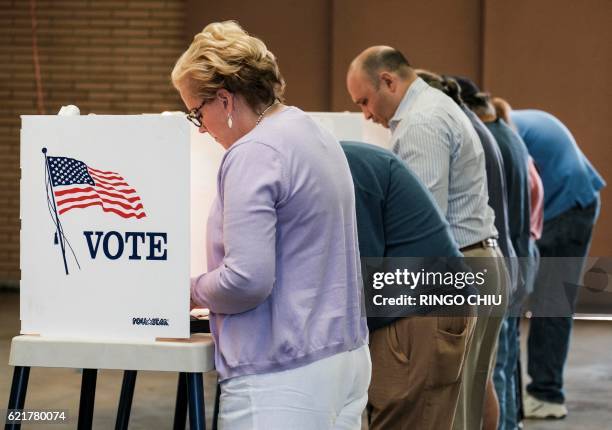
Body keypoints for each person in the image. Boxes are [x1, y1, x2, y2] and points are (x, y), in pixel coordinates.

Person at [173, 21, 370, 429]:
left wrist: (187, 290)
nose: (201, 127)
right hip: (343, 358)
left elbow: (246, 281)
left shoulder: (254, 152)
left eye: (196, 112)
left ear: (224, 100)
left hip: (282, 376)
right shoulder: (312, 131)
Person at [346, 46, 508, 430]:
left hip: (453, 267)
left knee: (445, 407)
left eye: (365, 101)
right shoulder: (437, 107)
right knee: (468, 394)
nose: (366, 113)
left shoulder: (421, 124)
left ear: (388, 80)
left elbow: (419, 224)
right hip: (475, 260)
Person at [340, 140, 475, 430]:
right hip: (431, 304)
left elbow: (360, 270)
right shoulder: (353, 160)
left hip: (416, 314)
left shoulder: (346, 172)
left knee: (404, 420)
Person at [416, 70, 519, 430]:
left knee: (465, 388)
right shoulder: (475, 130)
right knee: (480, 381)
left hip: (472, 263)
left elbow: (431, 214)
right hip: (492, 258)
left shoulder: (440, 130)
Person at [509, 107, 605, 419]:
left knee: (550, 302)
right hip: (576, 198)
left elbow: (517, 194)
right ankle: (542, 393)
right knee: (549, 302)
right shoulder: (514, 122)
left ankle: (544, 395)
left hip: (568, 206)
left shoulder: (507, 133)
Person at [454, 78, 533, 430]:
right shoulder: (506, 135)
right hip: (515, 256)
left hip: (497, 256)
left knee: (492, 369)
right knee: (505, 361)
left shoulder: (484, 143)